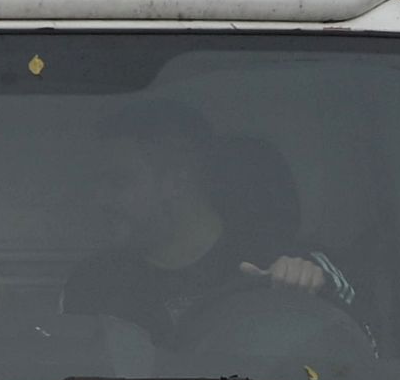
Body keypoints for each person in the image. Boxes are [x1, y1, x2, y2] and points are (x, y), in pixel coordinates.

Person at [62, 102, 352, 352]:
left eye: (118, 181)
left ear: (175, 182)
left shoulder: (290, 264)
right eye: (97, 183)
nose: (99, 199)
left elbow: (363, 366)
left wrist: (306, 296)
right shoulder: (91, 284)